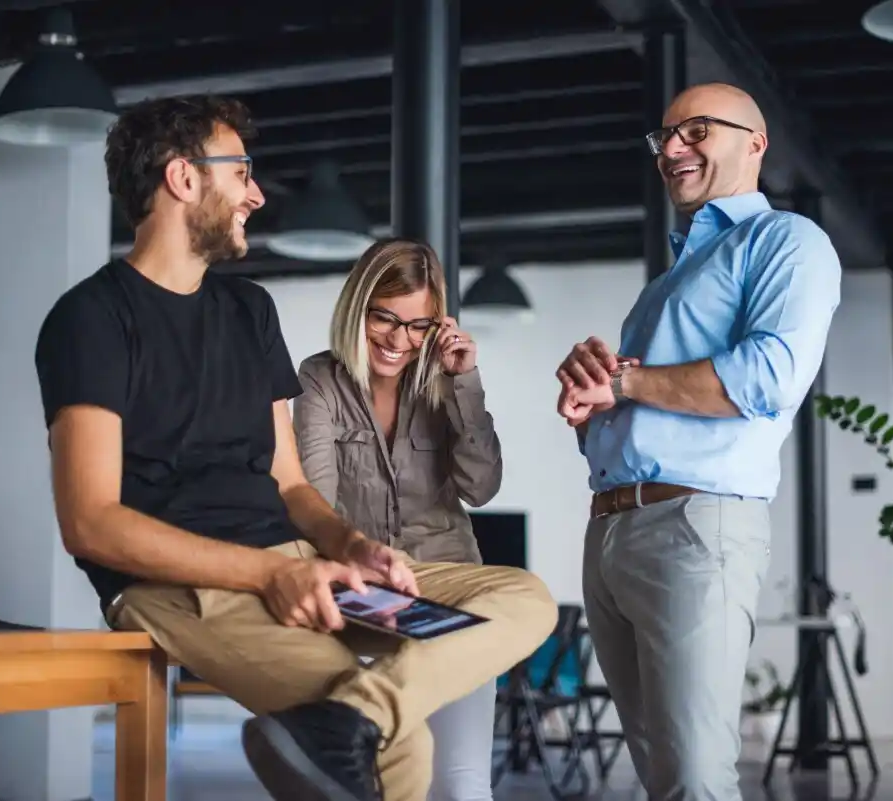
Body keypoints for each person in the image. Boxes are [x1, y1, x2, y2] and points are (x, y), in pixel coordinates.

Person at [32, 94, 557, 801]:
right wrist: (265, 573)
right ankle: (357, 718)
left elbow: (291, 484)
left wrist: (350, 545)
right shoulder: (90, 319)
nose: (254, 193)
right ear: (183, 179)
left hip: (301, 564)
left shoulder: (250, 312)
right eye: (241, 171)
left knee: (525, 598)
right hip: (182, 586)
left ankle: (354, 714)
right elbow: (90, 522)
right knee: (402, 742)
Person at [555, 82, 842, 800]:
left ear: (756, 141)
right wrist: (592, 404)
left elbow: (769, 377)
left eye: (695, 130)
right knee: (663, 775)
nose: (672, 148)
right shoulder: (669, 282)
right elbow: (641, 413)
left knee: (694, 777)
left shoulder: (786, 240)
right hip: (615, 527)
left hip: (695, 526)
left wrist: (624, 385)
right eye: (664, 137)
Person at [293, 237, 504, 801]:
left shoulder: (442, 378)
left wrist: (464, 381)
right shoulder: (318, 381)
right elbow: (315, 502)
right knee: (383, 781)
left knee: (460, 787)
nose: (399, 340)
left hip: (450, 588)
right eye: (385, 318)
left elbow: (480, 487)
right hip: (367, 598)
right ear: (358, 307)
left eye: (418, 326)